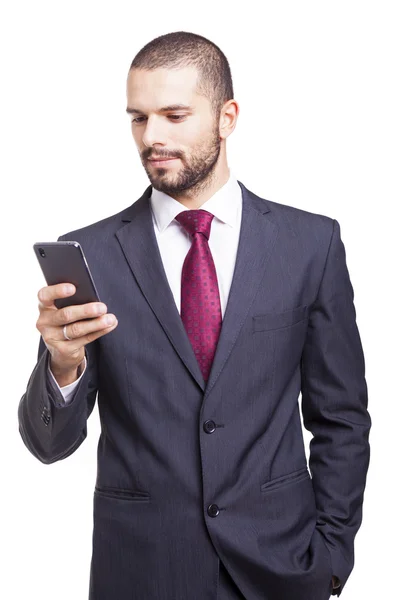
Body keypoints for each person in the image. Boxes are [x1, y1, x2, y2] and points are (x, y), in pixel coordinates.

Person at [18, 31, 371, 600]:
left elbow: (342, 417)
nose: (151, 137)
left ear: (228, 116)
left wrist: (331, 556)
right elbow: (49, 445)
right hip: (140, 573)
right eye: (138, 118)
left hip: (280, 569)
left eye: (174, 115)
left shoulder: (311, 244)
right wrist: (62, 365)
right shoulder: (91, 255)